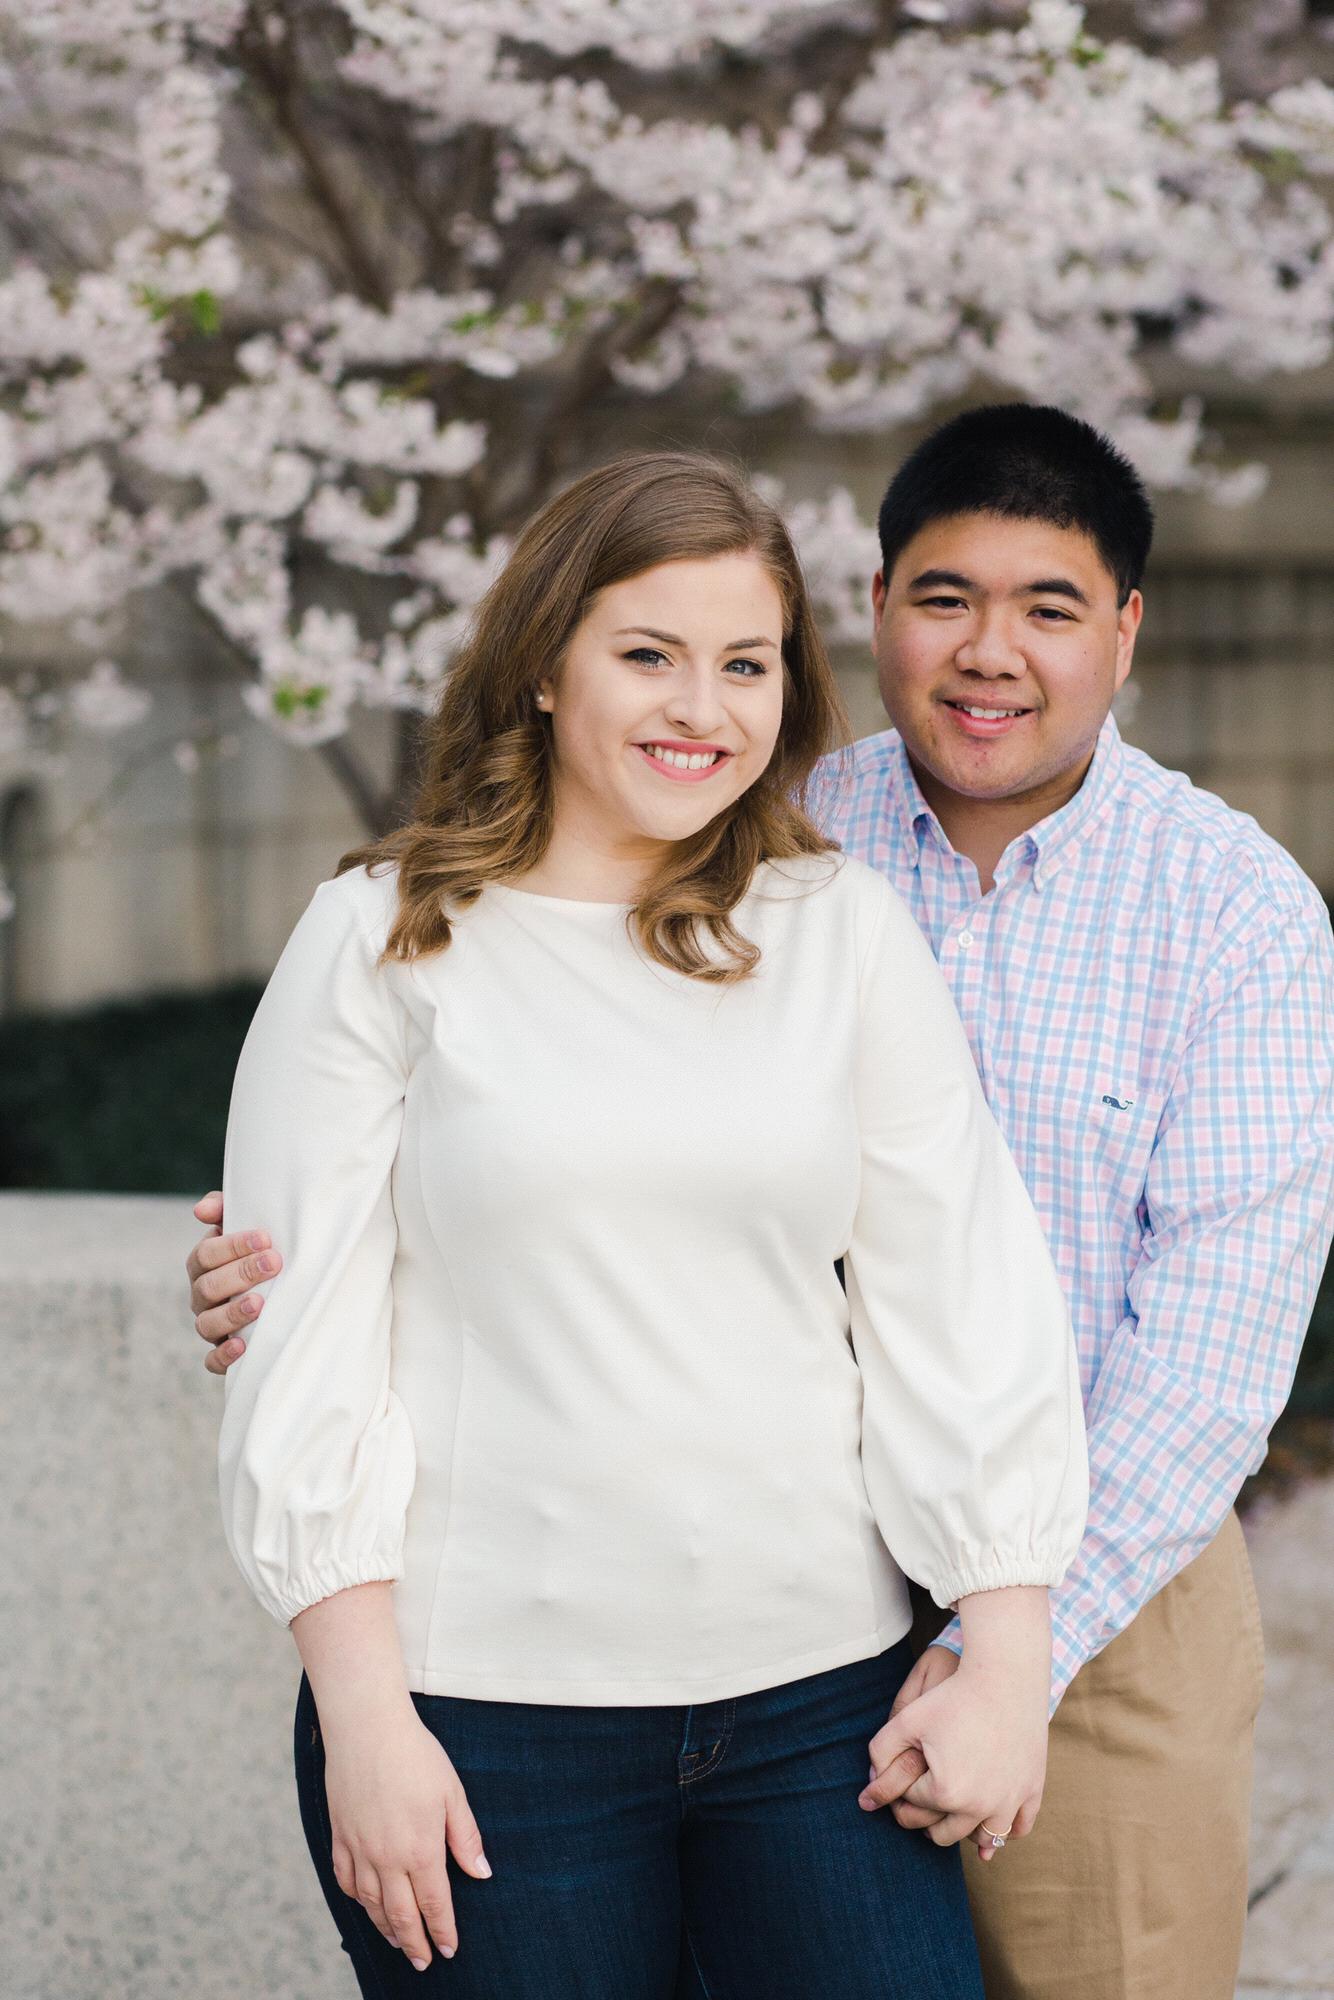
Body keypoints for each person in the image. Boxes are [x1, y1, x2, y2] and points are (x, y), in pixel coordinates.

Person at [195, 404, 1334, 2000]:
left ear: (1126, 630)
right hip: (527, 1687)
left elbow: (1101, 1325)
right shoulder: (455, 917)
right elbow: (336, 1292)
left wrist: (1009, 1641)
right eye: (944, 599)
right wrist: (364, 1706)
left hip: (997, 1618)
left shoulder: (1155, 910)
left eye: (741, 665)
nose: (702, 705)